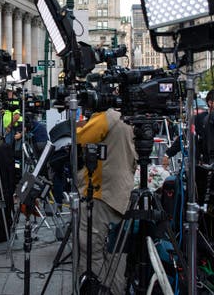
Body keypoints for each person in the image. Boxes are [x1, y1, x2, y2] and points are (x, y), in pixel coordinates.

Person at [76, 108, 137, 295]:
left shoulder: (108, 117)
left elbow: (80, 138)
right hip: (121, 192)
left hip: (102, 194)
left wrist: (79, 125)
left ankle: (94, 290)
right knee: (116, 251)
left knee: (92, 250)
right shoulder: (129, 117)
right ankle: (115, 289)